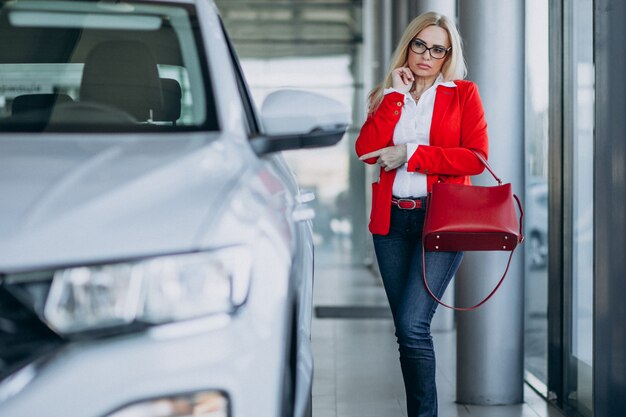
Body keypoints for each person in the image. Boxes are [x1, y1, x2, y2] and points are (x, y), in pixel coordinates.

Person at [354, 11, 489, 417]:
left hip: (442, 221)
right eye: (419, 45)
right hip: (391, 224)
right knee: (407, 332)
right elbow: (366, 150)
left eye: (437, 49)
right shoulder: (387, 95)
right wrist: (395, 96)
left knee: (413, 327)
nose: (426, 56)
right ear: (408, 44)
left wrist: (411, 155)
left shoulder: (463, 94)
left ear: (448, 54)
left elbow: (476, 158)